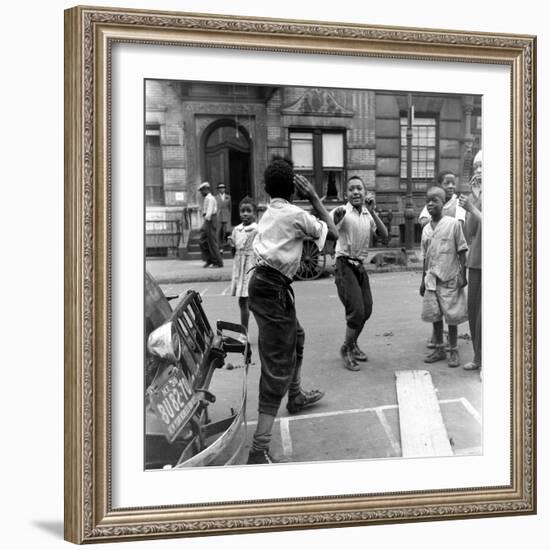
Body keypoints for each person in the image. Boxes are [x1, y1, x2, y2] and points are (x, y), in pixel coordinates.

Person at [246, 156, 339, 465]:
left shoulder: (268, 212)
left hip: (263, 284)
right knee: (276, 365)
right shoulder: (297, 214)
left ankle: (296, 396)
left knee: (296, 336)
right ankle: (259, 449)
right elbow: (333, 234)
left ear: (267, 188)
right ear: (294, 190)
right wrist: (314, 196)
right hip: (273, 288)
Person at [330, 177, 388, 371]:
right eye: (351, 189)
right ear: (346, 194)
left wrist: (373, 212)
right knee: (356, 311)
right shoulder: (341, 211)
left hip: (359, 266)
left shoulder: (367, 213)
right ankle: (346, 349)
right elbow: (329, 228)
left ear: (365, 193)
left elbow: (384, 236)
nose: (356, 192)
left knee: (367, 309)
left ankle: (353, 344)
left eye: (359, 189)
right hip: (344, 264)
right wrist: (335, 220)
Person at [420, 186, 468, 368]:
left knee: (452, 316)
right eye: (428, 201)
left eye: (435, 200)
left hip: (450, 278)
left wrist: (463, 274)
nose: (431, 203)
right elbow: (425, 257)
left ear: (443, 204)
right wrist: (422, 282)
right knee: (435, 315)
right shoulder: (425, 230)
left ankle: (453, 350)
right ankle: (439, 348)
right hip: (431, 280)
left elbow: (462, 250)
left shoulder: (453, 224)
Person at [459, 150, 482, 377]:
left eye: (483, 166)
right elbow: (470, 231)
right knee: (474, 311)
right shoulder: (475, 195)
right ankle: (478, 357)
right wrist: (474, 200)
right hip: (476, 261)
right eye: (476, 167)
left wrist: (474, 207)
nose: (479, 170)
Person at [228, 196, 258, 333]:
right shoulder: (237, 229)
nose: (245, 214)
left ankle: (262, 331)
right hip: (240, 266)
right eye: (242, 211)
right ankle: (244, 332)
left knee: (252, 301)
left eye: (248, 211)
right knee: (242, 301)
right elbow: (235, 244)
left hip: (251, 265)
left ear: (254, 213)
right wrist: (231, 244)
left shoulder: (257, 229)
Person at [198, 182, 223, 268]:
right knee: (202, 241)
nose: (201, 193)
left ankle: (218, 262)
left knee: (212, 242)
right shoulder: (206, 198)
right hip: (208, 221)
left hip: (210, 220)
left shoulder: (210, 199)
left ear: (206, 189)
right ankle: (209, 260)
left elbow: (208, 213)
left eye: (202, 190)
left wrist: (204, 224)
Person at [215, 182, 232, 250]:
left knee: (226, 231)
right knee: (218, 231)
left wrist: (229, 215)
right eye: (220, 188)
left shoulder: (228, 197)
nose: (222, 189)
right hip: (218, 215)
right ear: (218, 189)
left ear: (225, 189)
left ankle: (225, 245)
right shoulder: (215, 197)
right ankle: (218, 245)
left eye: (223, 188)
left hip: (226, 215)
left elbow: (230, 207)